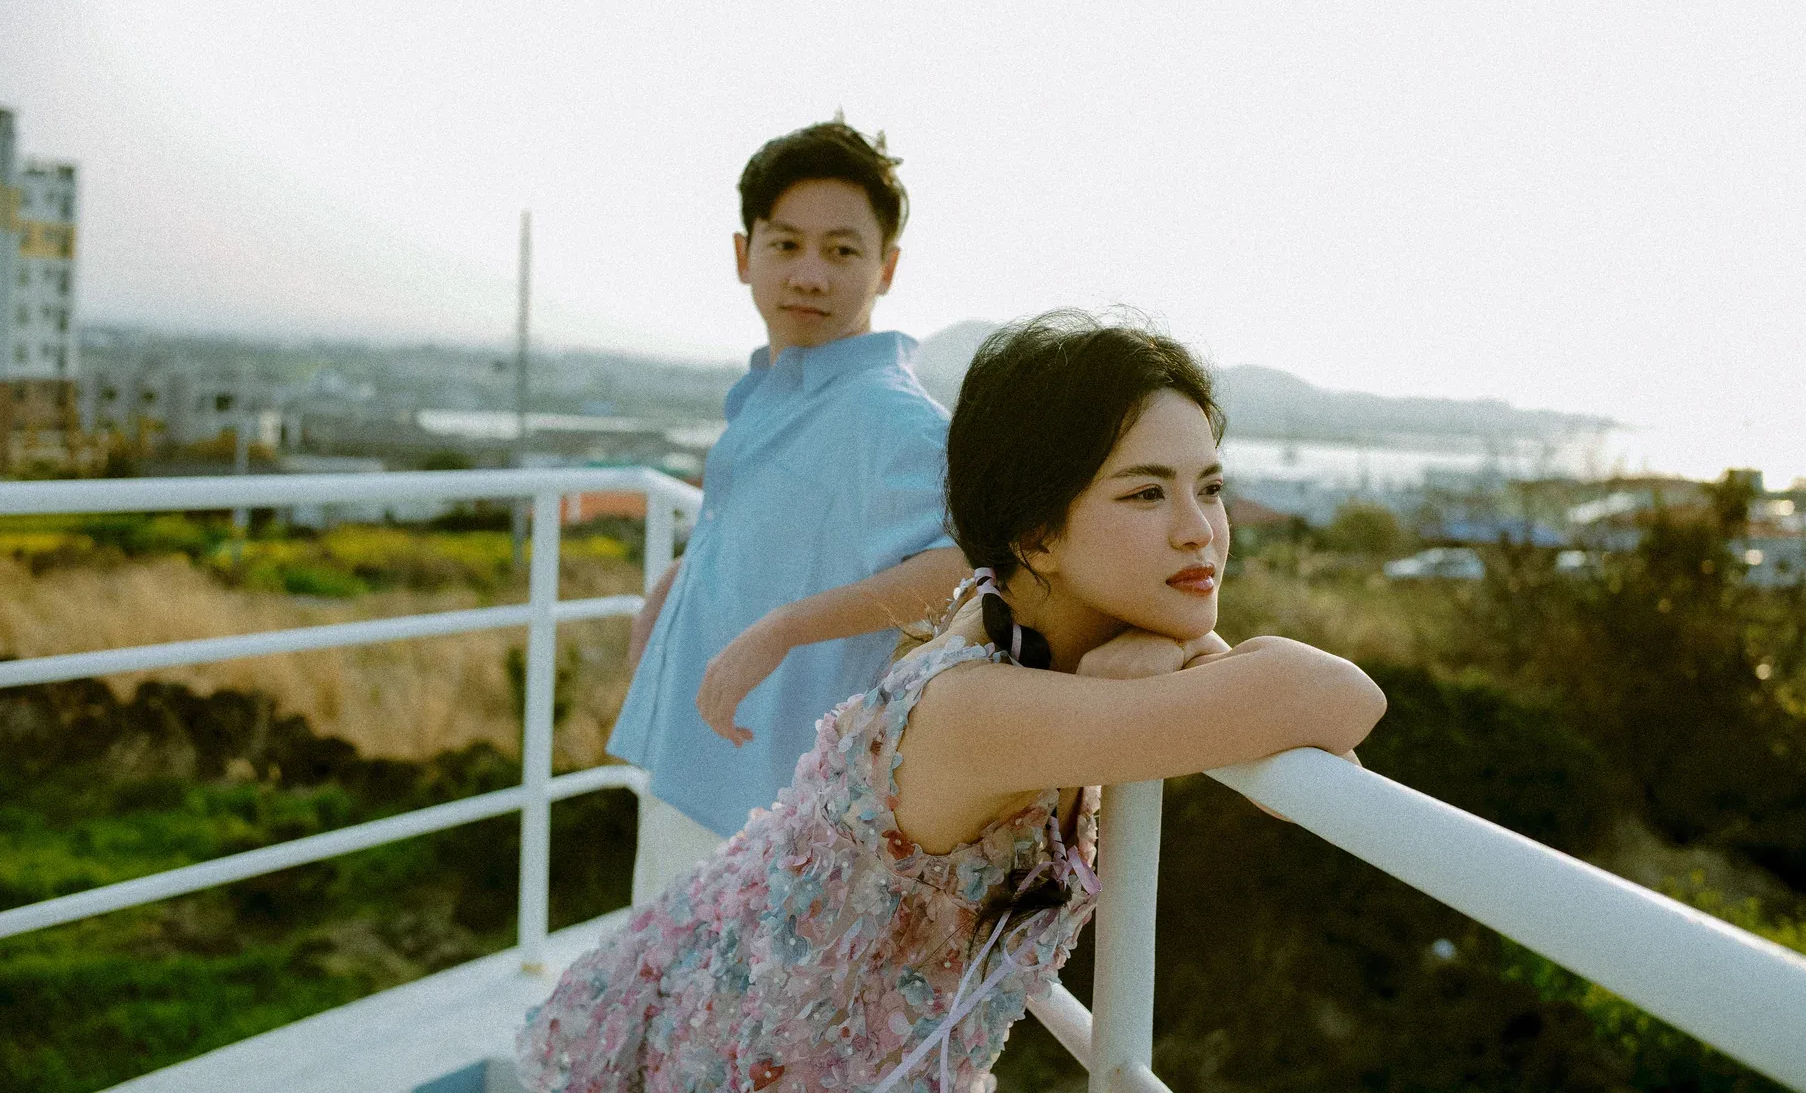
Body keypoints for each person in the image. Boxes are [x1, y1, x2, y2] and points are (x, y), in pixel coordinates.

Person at [520, 312, 1387, 1093]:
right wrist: (1184, 654)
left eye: (1210, 485)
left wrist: (1164, 645)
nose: (1199, 528)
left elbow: (1288, 712)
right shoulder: (981, 711)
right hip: (736, 1060)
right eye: (1145, 492)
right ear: (1035, 535)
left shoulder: (1004, 614)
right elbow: (1340, 698)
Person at [607, 120, 972, 900]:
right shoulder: (777, 388)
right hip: (689, 764)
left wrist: (783, 629)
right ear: (745, 255)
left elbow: (960, 564)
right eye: (786, 245)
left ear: (887, 268)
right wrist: (677, 586)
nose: (809, 274)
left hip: (770, 809)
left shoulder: (890, 414)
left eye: (842, 251)